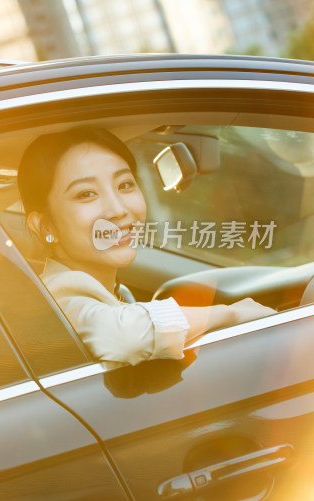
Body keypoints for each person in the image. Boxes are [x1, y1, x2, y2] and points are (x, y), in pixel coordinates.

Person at [17, 127, 275, 366]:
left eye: (125, 185)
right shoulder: (55, 299)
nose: (119, 210)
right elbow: (125, 336)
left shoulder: (112, 294)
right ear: (45, 227)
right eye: (86, 194)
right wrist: (233, 314)